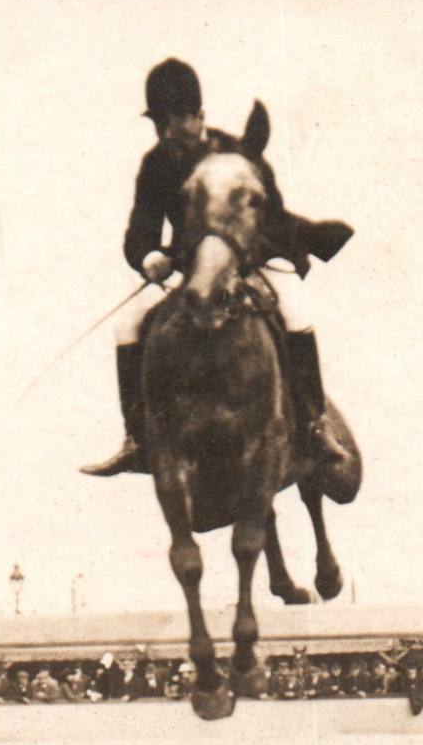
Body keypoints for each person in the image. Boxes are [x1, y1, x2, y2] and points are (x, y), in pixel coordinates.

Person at [84, 57, 354, 478]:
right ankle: (136, 439)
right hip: (188, 272)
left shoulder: (237, 154)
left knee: (297, 318)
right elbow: (141, 230)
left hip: (241, 267)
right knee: (127, 326)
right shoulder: (156, 165)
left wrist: (258, 251)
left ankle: (317, 425)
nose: (166, 134)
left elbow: (271, 213)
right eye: (160, 125)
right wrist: (148, 257)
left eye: (174, 122)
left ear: (198, 117)